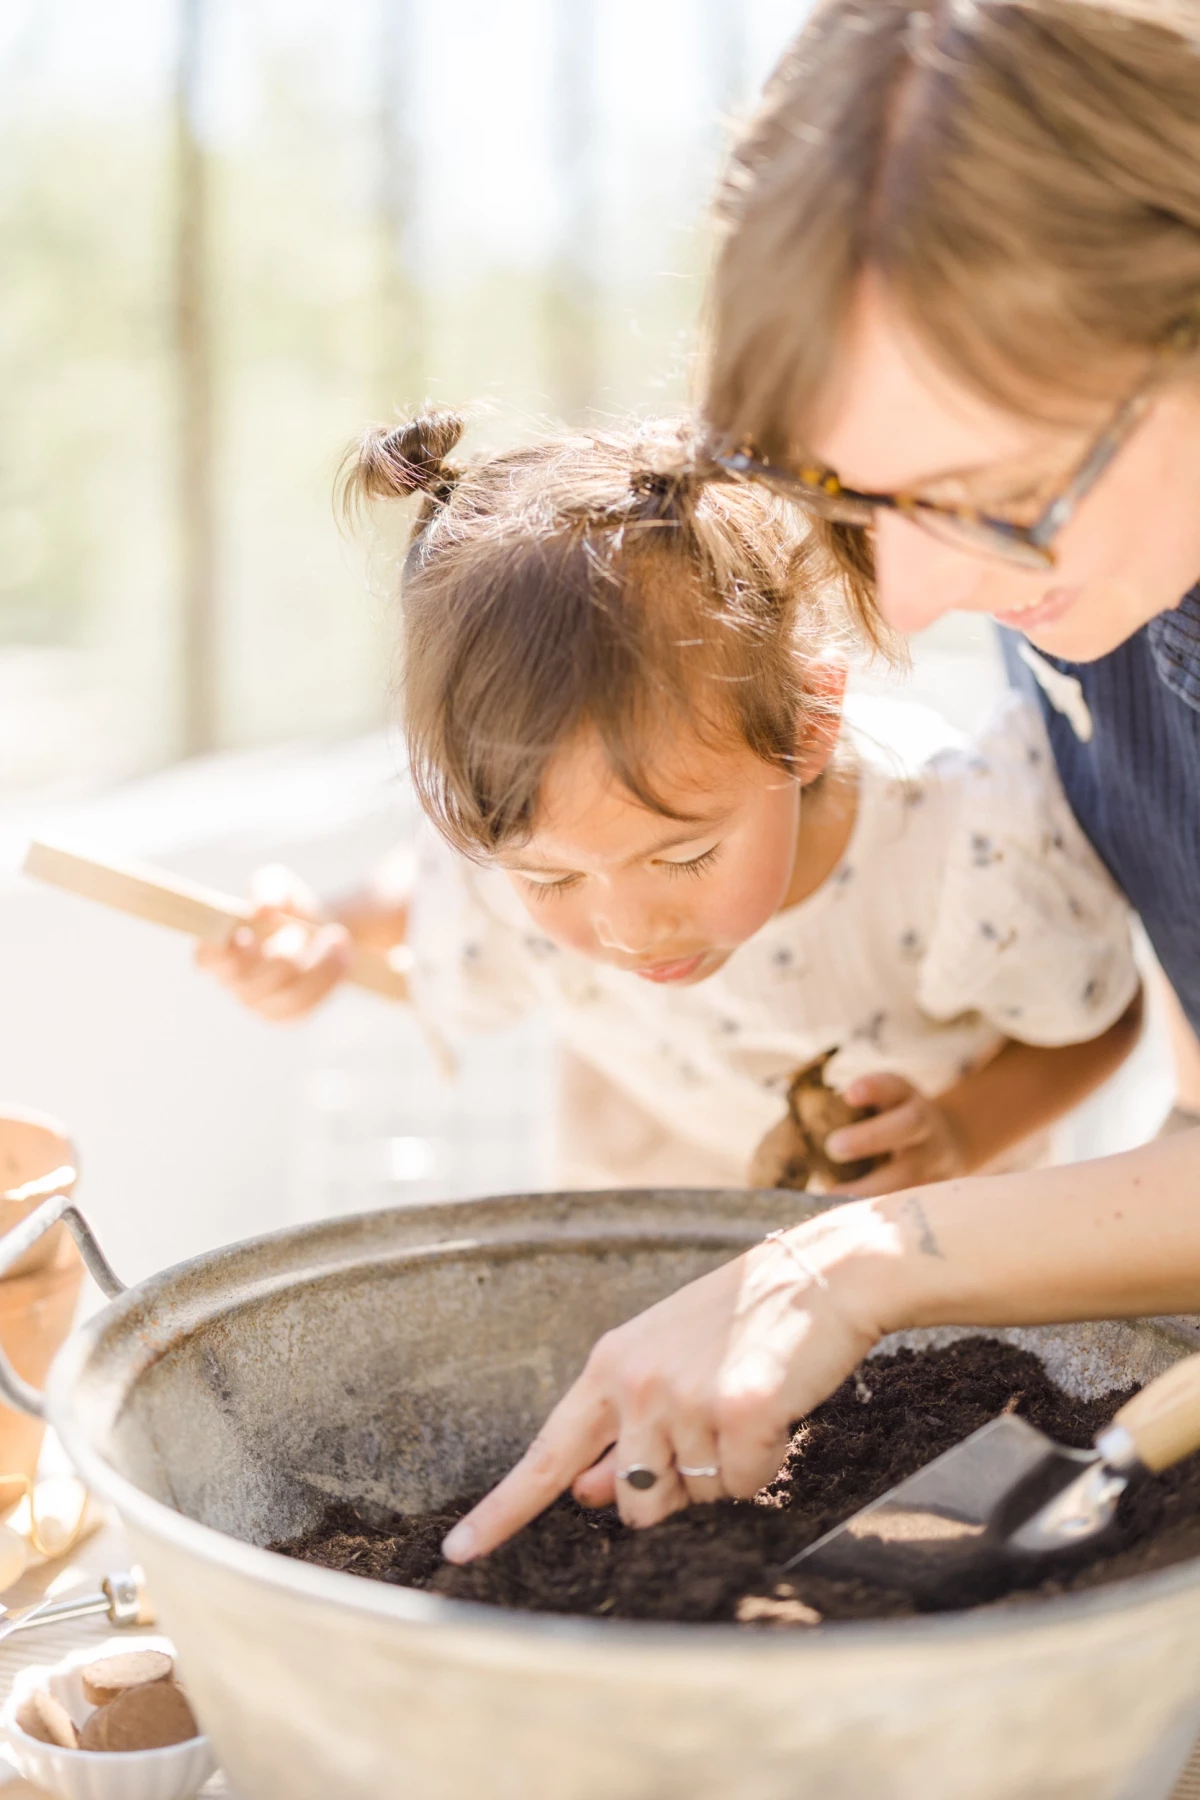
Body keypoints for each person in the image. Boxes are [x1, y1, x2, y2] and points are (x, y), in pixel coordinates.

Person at [442, 0, 1200, 1567]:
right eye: (849, 505)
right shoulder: (1102, 584)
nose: (910, 599)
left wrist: (860, 1260)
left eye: (995, 502)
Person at [200, 411, 1139, 1196]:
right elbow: (439, 886)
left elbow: (1104, 1018)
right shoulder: (521, 863)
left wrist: (961, 1133)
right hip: (644, 1180)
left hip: (909, 1228)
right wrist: (328, 930)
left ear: (809, 724)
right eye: (550, 875)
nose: (627, 928)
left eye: (683, 857)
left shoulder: (955, 857)